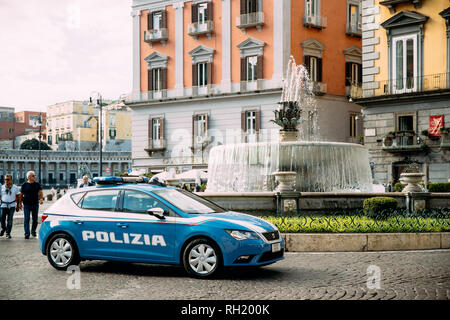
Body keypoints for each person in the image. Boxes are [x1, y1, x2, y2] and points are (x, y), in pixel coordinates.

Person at [19, 171, 44, 239]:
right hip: (26, 204)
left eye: (34, 175)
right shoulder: (24, 184)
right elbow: (21, 194)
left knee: (35, 219)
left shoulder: (37, 184)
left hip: (35, 204)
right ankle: (27, 233)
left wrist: (41, 199)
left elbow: (40, 192)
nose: (34, 176)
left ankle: (33, 231)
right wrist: (19, 203)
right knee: (27, 219)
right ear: (29, 177)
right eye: (33, 175)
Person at [0, 175, 21, 239]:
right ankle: (3, 229)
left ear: (11, 180)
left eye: (8, 179)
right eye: (5, 179)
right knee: (2, 219)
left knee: (10, 220)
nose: (6, 181)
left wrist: (18, 205)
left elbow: (18, 197)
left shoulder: (15, 187)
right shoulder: (2, 187)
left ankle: (8, 233)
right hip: (3, 205)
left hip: (12, 206)